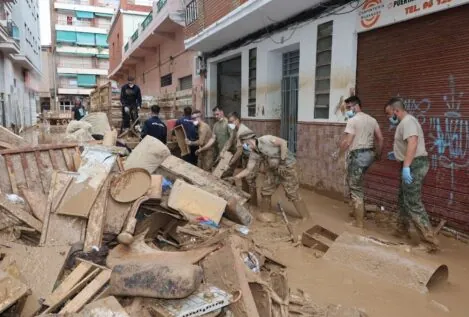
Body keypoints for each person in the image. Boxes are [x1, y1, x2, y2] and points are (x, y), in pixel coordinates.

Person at [384, 97, 439, 251]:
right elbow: (407, 144)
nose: (389, 118)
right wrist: (398, 155)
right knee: (403, 198)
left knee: (413, 201)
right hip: (410, 163)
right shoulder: (405, 122)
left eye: (389, 114)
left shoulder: (408, 121)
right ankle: (402, 230)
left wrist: (407, 166)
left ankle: (429, 242)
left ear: (396, 111)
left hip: (414, 164)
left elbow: (413, 142)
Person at [230, 132, 310, 220]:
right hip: (273, 170)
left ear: (248, 141)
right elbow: (248, 169)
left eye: (244, 144)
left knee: (292, 193)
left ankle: (306, 217)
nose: (244, 147)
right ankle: (266, 215)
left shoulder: (266, 139)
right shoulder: (254, 154)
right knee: (266, 190)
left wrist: (282, 161)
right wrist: (235, 177)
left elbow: (283, 143)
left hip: (288, 167)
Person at [339, 96, 383, 228]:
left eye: (348, 108)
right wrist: (378, 155)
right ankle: (356, 212)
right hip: (369, 155)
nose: (347, 111)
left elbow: (347, 141)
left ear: (354, 105)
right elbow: (380, 139)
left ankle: (359, 223)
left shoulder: (353, 120)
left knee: (355, 188)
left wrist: (340, 154)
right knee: (357, 182)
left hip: (358, 156)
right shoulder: (372, 119)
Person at [220, 112, 258, 205]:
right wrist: (223, 150)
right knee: (244, 178)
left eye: (232, 121)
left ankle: (253, 204)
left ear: (237, 120)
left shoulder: (242, 131)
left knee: (250, 180)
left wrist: (229, 164)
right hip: (246, 156)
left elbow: (239, 151)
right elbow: (230, 140)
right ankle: (246, 199)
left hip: (254, 156)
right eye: (229, 122)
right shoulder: (235, 129)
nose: (230, 124)